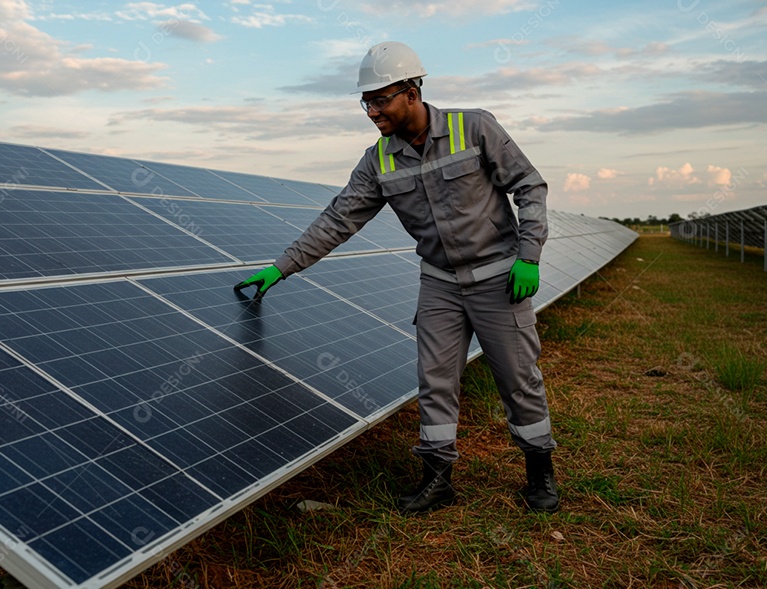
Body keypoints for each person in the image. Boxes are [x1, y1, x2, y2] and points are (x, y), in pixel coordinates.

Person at [233, 41, 559, 514]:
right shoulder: (378, 160)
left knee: (518, 378)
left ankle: (539, 470)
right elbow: (337, 220)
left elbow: (529, 186)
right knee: (435, 380)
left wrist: (529, 255)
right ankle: (437, 478)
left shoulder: (475, 127)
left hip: (498, 278)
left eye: (380, 99)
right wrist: (282, 267)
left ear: (412, 91)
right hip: (440, 284)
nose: (372, 111)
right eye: (365, 101)